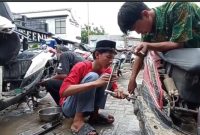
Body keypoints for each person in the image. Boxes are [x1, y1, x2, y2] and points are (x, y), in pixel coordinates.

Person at [117, 2, 200, 94]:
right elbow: (140, 55)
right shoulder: (147, 30)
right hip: (186, 60)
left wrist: (148, 45)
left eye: (136, 27)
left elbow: (178, 44)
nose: (137, 32)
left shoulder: (178, 6)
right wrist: (132, 79)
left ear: (145, 14)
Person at [59, 40, 128, 135]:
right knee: (93, 76)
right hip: (69, 108)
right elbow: (63, 92)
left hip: (87, 109)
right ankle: (77, 122)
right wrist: (95, 83)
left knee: (105, 79)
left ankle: (94, 115)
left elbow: (113, 89)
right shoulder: (81, 66)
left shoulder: (107, 71)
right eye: (108, 57)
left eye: (113, 58)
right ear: (97, 54)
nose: (111, 61)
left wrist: (119, 91)